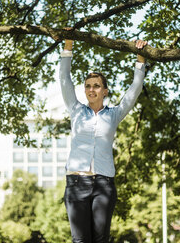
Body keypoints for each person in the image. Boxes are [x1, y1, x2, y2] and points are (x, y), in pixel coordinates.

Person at [60, 37, 147, 243]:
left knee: (101, 239)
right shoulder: (76, 109)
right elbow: (64, 78)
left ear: (104, 91)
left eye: (97, 86)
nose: (92, 89)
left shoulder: (114, 114)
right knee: (80, 240)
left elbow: (135, 88)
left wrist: (141, 56)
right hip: (76, 182)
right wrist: (69, 44)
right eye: (88, 86)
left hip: (104, 183)